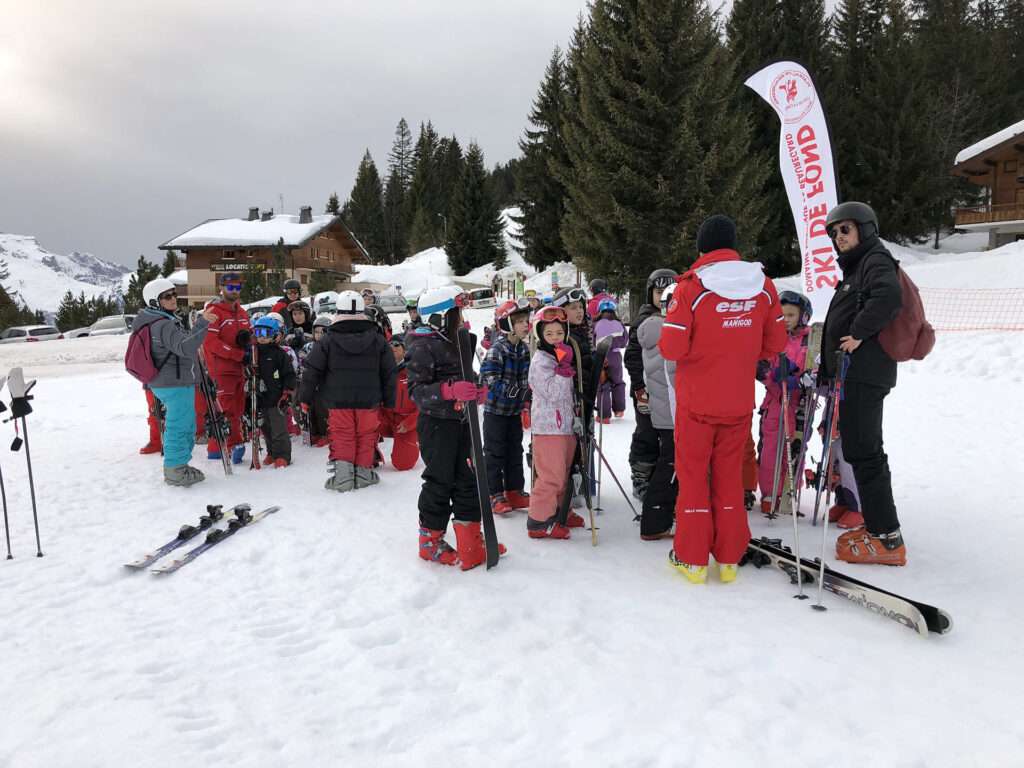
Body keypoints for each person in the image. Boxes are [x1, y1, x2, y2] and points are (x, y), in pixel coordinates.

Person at [659, 214, 786, 584]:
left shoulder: (691, 287)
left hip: (696, 403)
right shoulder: (762, 285)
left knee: (694, 478)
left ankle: (692, 559)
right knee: (730, 479)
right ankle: (729, 559)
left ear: (702, 247)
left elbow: (672, 348)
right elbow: (776, 343)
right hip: (738, 402)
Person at [820, 201, 905, 566]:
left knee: (866, 452)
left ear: (865, 229)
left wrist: (856, 333)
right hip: (856, 374)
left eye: (845, 229)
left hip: (865, 373)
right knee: (859, 449)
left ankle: (887, 538)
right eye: (833, 232)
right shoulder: (860, 264)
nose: (838, 236)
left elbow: (888, 297)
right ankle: (876, 527)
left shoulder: (875, 259)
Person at [406, 285, 506, 570]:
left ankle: (470, 538)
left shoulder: (455, 341)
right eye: (457, 314)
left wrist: (477, 388)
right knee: (440, 481)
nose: (462, 319)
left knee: (468, 479)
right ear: (440, 317)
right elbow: (416, 391)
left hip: (463, 422)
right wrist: (449, 391)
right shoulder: (421, 345)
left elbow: (466, 374)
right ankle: (430, 540)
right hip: (436, 426)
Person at [299, 291, 396, 492]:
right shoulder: (378, 339)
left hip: (338, 399)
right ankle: (363, 474)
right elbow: (389, 372)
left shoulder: (328, 340)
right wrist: (389, 400)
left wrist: (305, 398)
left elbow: (312, 370)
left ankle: (343, 478)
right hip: (369, 399)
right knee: (366, 434)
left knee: (343, 434)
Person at [132, 278, 216, 486]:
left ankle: (179, 465)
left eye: (174, 294)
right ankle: (175, 470)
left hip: (170, 381)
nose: (173, 299)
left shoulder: (159, 320)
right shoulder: (163, 324)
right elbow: (186, 347)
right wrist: (202, 323)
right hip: (174, 383)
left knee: (184, 424)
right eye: (166, 296)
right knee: (179, 426)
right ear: (154, 301)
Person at [526, 306, 585, 538]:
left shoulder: (557, 356)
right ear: (540, 335)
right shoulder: (541, 360)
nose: (555, 338)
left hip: (565, 425)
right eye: (549, 333)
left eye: (559, 333)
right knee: (551, 476)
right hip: (548, 427)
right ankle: (540, 521)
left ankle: (561, 511)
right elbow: (553, 393)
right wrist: (562, 370)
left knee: (564, 473)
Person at [755, 291, 813, 517]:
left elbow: (815, 367)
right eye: (782, 315)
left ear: (803, 316)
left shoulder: (809, 341)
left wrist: (805, 378)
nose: (786, 319)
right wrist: (773, 376)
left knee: (796, 447)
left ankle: (790, 491)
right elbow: (760, 366)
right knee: (770, 449)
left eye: (791, 315)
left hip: (800, 404)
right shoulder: (772, 338)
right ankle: (770, 493)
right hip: (776, 402)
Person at [624, 268, 677, 501]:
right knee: (647, 433)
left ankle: (664, 477)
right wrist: (639, 387)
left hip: (671, 391)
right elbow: (632, 358)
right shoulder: (643, 321)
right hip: (646, 389)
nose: (663, 297)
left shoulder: (680, 319)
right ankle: (641, 477)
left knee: (670, 437)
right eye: (658, 292)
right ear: (650, 294)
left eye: (669, 292)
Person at [480, 299, 532, 514]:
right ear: (507, 324)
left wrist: (528, 401)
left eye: (526, 321)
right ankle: (495, 493)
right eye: (519, 321)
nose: (525, 325)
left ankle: (514, 490)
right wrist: (518, 393)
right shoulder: (497, 350)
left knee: (515, 450)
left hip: (513, 412)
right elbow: (492, 381)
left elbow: (527, 379)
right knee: (495, 453)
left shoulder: (524, 349)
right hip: (496, 413)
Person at [635, 284, 678, 540]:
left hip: (664, 412)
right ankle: (655, 521)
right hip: (672, 412)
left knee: (670, 463)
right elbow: (674, 375)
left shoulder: (655, 330)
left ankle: (663, 516)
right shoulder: (668, 333)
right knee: (671, 465)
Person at [201, 273, 253, 465]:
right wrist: (237, 354)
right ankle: (226, 446)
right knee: (225, 409)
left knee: (238, 409)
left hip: (239, 370)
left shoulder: (242, 313)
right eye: (230, 287)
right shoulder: (214, 312)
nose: (234, 291)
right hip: (221, 371)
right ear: (221, 288)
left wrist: (250, 346)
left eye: (238, 287)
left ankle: (226, 445)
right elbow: (211, 343)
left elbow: (249, 336)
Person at [251, 316, 297, 468]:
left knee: (278, 429)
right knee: (266, 428)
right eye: (258, 333)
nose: (261, 337)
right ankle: (271, 452)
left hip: (276, 398)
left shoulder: (279, 354)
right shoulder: (254, 353)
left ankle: (282, 455)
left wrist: (287, 392)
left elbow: (289, 374)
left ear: (275, 335)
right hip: (261, 398)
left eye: (265, 333)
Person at [377, 338, 420, 471]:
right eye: (389, 345)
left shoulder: (414, 372)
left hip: (406, 422)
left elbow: (425, 404)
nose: (392, 347)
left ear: (405, 350)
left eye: (396, 345)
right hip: (386, 418)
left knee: (403, 464)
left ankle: (414, 441)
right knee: (364, 420)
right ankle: (370, 454)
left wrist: (409, 423)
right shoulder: (380, 370)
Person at [593, 298, 628, 423]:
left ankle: (604, 416)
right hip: (616, 356)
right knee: (618, 382)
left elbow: (592, 341)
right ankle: (619, 409)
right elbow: (624, 341)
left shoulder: (596, 324)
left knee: (603, 385)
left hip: (601, 356)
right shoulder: (619, 324)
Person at [303, 315, 332, 447]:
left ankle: (326, 433)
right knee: (311, 409)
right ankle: (314, 432)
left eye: (323, 332)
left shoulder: (331, 347)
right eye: (317, 332)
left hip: (325, 384)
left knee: (322, 409)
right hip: (310, 382)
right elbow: (302, 360)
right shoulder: (309, 346)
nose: (319, 335)